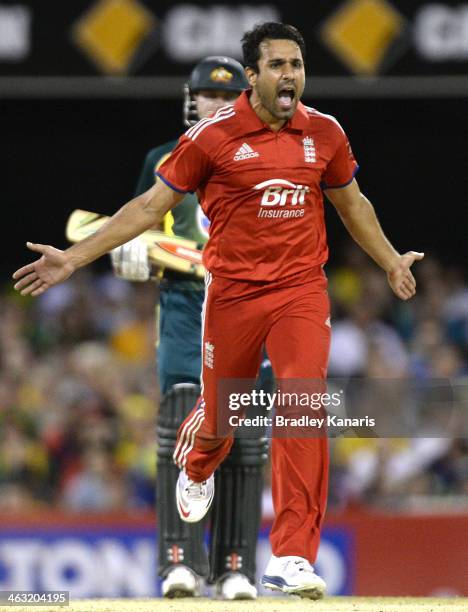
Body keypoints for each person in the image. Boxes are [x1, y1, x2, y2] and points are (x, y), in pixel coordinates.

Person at [13, 22, 424, 600]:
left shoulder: (325, 133)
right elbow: (150, 206)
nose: (290, 75)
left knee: (303, 401)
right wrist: (75, 260)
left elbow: (352, 204)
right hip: (230, 294)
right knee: (220, 419)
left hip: (301, 291)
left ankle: (291, 556)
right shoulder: (213, 136)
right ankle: (198, 465)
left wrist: (388, 262)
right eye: (277, 65)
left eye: (297, 65)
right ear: (251, 77)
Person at [110, 56, 268, 600]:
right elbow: (139, 229)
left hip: (250, 307)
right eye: (208, 96)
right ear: (191, 100)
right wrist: (130, 256)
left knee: (243, 435)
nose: (219, 105)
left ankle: (235, 569)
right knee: (182, 415)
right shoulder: (165, 157)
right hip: (185, 308)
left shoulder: (269, 156)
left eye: (229, 97)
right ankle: (179, 562)